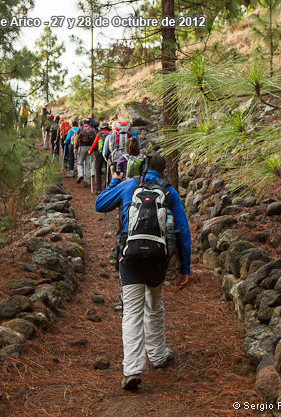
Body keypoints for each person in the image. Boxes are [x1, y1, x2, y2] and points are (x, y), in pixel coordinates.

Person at [94, 153, 191, 391]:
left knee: (131, 311)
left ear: (143, 169)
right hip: (158, 260)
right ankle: (158, 355)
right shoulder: (169, 191)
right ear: (164, 172)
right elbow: (182, 230)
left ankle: (132, 370)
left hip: (130, 256)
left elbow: (99, 204)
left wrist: (116, 179)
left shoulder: (130, 184)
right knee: (154, 303)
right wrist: (184, 268)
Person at [89, 121, 111, 194]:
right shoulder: (111, 134)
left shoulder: (99, 134)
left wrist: (90, 151)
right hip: (108, 154)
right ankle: (106, 187)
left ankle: (98, 188)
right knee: (107, 171)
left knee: (98, 170)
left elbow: (95, 144)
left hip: (99, 154)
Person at [73, 118, 95, 187]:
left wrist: (75, 147)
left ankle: (80, 174)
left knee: (79, 162)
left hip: (81, 147)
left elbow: (76, 138)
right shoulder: (92, 129)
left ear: (83, 122)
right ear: (89, 123)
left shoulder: (80, 129)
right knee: (88, 164)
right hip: (90, 148)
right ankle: (87, 182)